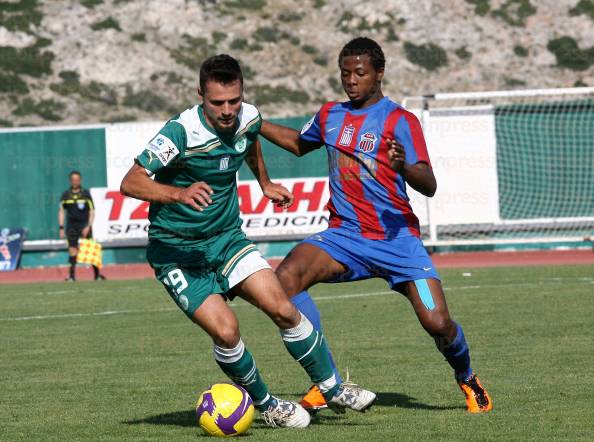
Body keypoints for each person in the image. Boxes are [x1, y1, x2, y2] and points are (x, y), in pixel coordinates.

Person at [120, 54, 376, 429]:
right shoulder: (180, 132)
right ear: (200, 96)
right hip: (177, 253)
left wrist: (265, 182)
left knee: (284, 309)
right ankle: (268, 404)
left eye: (234, 101)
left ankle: (332, 386)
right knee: (227, 332)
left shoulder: (248, 117)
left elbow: (250, 141)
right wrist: (179, 194)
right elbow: (131, 182)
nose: (227, 111)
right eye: (217, 103)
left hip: (226, 240)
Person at [259, 37, 493, 414]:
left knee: (438, 323)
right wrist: (253, 121)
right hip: (344, 238)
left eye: (360, 73)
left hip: (398, 242)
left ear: (379, 74)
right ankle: (328, 381)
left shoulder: (401, 120)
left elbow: (429, 185)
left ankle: (466, 376)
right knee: (285, 278)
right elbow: (297, 144)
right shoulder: (330, 116)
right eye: (345, 73)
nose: (351, 80)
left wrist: (402, 167)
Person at [59, 170, 105, 281]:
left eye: (77, 179)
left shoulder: (85, 194)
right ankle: (72, 276)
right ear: (70, 181)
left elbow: (92, 211)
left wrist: (88, 226)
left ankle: (97, 275)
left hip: (84, 226)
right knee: (72, 250)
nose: (75, 181)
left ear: (80, 180)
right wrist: (61, 227)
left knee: (91, 249)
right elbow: (61, 211)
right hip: (71, 226)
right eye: (73, 180)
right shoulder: (66, 195)